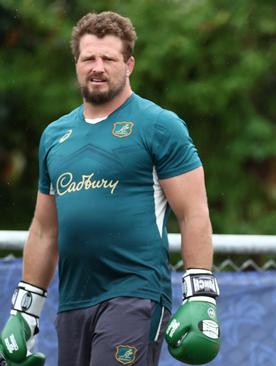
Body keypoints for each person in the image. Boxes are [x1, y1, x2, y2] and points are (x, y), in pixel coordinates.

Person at [0, 11, 220, 366]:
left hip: (135, 297)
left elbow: (194, 213)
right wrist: (24, 312)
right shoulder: (55, 136)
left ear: (129, 64)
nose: (97, 67)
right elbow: (43, 231)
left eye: (109, 58)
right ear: (76, 63)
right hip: (72, 303)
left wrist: (201, 296)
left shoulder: (160, 125)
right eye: (89, 58)